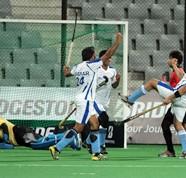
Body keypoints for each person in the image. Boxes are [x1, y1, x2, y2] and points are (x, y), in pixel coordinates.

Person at [119, 47, 186, 159]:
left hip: (178, 96)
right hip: (185, 101)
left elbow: (185, 87)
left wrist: (170, 98)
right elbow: (184, 79)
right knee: (178, 124)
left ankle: (131, 100)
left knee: (152, 82)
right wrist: (175, 67)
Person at [49, 33, 122, 161]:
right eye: (94, 54)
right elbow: (108, 54)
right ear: (92, 56)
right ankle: (57, 148)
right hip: (85, 100)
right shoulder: (92, 65)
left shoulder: (78, 66)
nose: (95, 56)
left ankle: (96, 153)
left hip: (83, 99)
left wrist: (66, 70)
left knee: (95, 124)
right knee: (78, 128)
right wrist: (117, 42)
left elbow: (67, 74)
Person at [84, 49, 121, 155]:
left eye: (110, 57)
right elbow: (90, 86)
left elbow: (114, 86)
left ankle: (90, 142)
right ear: (103, 58)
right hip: (95, 100)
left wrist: (117, 80)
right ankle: (100, 145)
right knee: (103, 120)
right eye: (108, 57)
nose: (110, 59)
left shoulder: (112, 71)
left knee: (103, 123)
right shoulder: (96, 70)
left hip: (105, 102)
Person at [0, 117, 80, 150]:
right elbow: (6, 146)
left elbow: (4, 126)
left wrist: (5, 139)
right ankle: (70, 140)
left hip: (18, 131)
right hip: (19, 139)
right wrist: (9, 145)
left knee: (37, 144)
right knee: (44, 143)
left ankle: (68, 135)